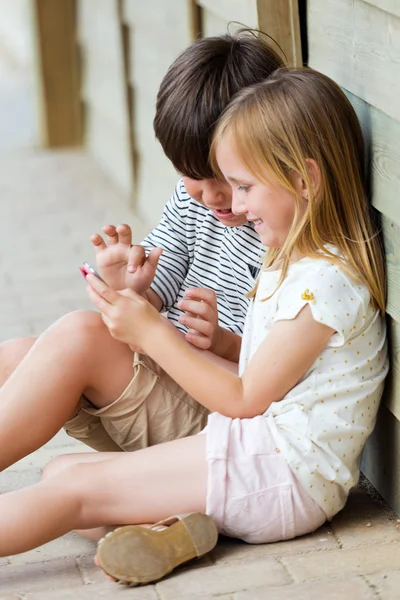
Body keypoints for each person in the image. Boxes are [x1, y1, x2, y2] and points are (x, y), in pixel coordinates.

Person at [0, 68, 388, 587]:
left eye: (244, 185)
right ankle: (182, 526)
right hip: (256, 453)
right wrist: (184, 332)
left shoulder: (325, 281)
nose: (236, 202)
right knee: (60, 475)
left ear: (304, 180)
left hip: (283, 474)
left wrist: (153, 335)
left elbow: (246, 396)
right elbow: (265, 374)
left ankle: (194, 513)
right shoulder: (296, 259)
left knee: (72, 493)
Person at [0, 30, 284, 471]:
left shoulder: (278, 226)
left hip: (219, 416)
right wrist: (128, 288)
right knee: (19, 354)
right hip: (164, 384)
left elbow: (270, 373)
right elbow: (150, 301)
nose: (211, 197)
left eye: (227, 179)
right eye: (192, 176)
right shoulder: (193, 203)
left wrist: (226, 343)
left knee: (80, 336)